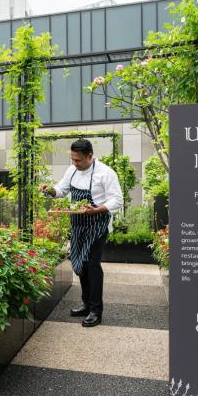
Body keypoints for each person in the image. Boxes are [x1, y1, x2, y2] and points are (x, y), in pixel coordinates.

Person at [39, 139, 123, 327]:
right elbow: (61, 190)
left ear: (90, 156)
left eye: (78, 160)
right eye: (73, 159)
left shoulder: (106, 173)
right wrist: (50, 190)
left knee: (92, 264)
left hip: (97, 225)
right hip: (77, 224)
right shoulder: (72, 170)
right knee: (81, 264)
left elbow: (117, 200)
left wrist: (96, 209)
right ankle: (86, 304)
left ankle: (96, 310)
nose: (74, 163)